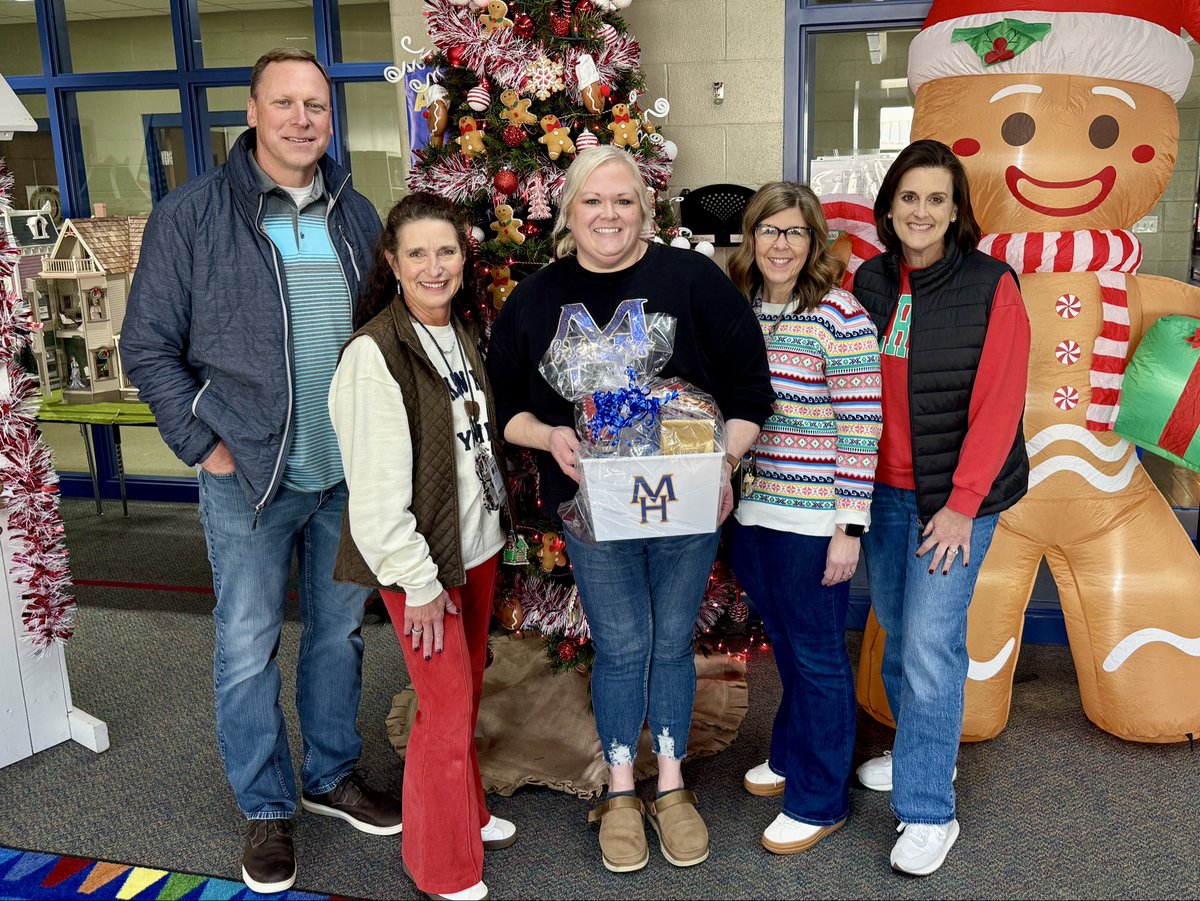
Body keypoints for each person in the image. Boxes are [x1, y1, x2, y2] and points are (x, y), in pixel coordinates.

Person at [121, 48, 401, 896]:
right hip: (247, 474)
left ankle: (329, 774)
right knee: (246, 644)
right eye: (284, 103)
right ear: (252, 112)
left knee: (338, 634)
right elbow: (149, 347)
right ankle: (266, 803)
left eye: (315, 104)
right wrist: (202, 445)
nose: (301, 119)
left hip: (343, 474)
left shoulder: (357, 215)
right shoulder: (194, 214)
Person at [486, 145, 774, 873]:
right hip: (594, 510)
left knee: (672, 640)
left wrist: (725, 463)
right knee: (620, 644)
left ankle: (671, 785)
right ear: (569, 212)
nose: (608, 215)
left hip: (685, 507)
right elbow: (505, 408)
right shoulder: (536, 299)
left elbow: (749, 392)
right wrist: (550, 435)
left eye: (623, 201)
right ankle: (620, 788)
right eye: (593, 201)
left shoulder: (693, 279)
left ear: (645, 210)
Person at [851, 138, 1030, 876]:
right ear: (889, 207)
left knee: (929, 640)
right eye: (908, 197)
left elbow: (998, 405)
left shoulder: (991, 285)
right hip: (884, 493)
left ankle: (929, 808)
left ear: (955, 210)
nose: (920, 211)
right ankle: (922, 750)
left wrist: (960, 506)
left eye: (935, 198)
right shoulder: (869, 279)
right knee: (899, 628)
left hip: (957, 500)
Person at [328, 192, 515, 901]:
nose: (435, 266)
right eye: (418, 253)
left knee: (462, 695)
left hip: (477, 547)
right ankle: (440, 864)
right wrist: (419, 581)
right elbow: (375, 501)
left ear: (464, 259)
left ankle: (467, 810)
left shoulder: (454, 330)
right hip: (423, 566)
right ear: (391, 262)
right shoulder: (374, 354)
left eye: (447, 251)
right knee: (441, 708)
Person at [726, 182, 882, 853]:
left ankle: (819, 797)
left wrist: (850, 527)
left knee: (818, 655)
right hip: (751, 513)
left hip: (814, 519)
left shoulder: (841, 315)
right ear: (751, 238)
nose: (780, 244)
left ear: (814, 242)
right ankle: (791, 753)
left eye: (794, 232)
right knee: (786, 643)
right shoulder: (741, 310)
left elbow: (861, 427)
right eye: (768, 230)